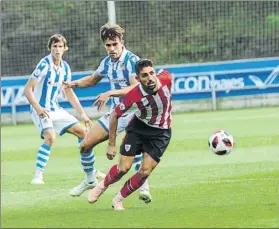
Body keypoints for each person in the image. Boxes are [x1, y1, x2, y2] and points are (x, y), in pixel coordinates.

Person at [63, 24, 152, 203]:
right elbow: (93, 79)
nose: (111, 49)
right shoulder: (107, 62)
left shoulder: (131, 61)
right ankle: (89, 180)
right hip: (115, 114)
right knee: (85, 145)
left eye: (114, 44)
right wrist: (74, 84)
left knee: (131, 149)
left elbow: (135, 87)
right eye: (108, 45)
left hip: (137, 113)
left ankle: (143, 186)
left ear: (122, 42)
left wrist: (110, 93)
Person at [88, 58, 173, 210]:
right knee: (123, 169)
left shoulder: (166, 78)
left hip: (161, 133)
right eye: (145, 75)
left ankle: (118, 199)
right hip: (138, 129)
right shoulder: (134, 94)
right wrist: (111, 144)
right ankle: (102, 185)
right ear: (138, 79)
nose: (150, 78)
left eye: (151, 73)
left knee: (145, 171)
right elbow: (114, 116)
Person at [24, 34, 102, 185]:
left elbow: (69, 92)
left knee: (83, 132)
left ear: (65, 49)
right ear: (50, 48)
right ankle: (38, 176)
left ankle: (91, 172)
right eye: (54, 46)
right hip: (41, 109)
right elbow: (28, 89)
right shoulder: (44, 65)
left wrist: (83, 114)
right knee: (50, 137)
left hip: (55, 109)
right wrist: (38, 108)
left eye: (60, 46)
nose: (57, 49)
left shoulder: (65, 68)